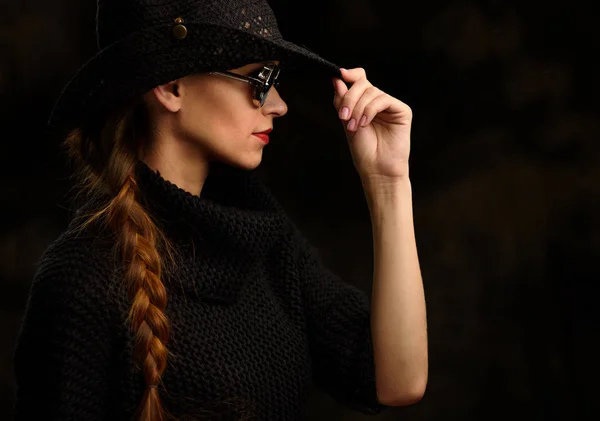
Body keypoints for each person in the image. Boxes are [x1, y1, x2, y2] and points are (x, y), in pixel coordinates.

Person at [12, 0, 428, 420]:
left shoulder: (263, 240)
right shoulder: (80, 279)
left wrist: (388, 182)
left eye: (275, 79)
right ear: (171, 87)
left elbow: (396, 383)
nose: (279, 105)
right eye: (259, 80)